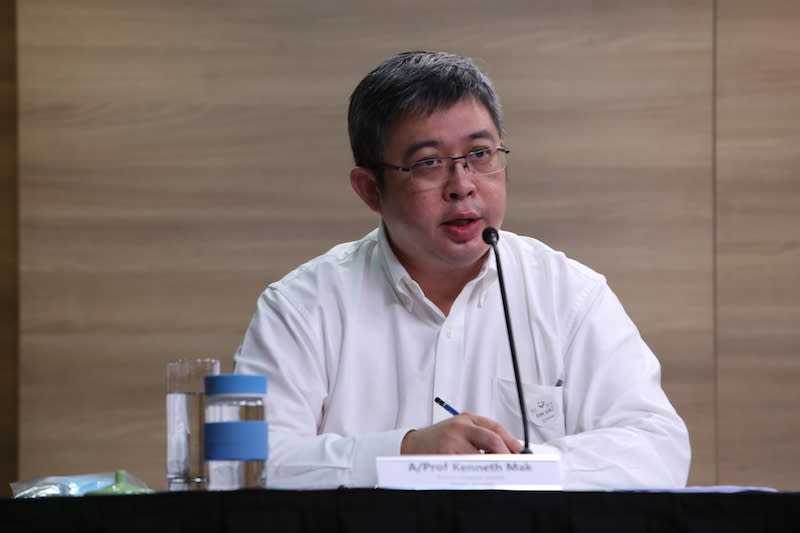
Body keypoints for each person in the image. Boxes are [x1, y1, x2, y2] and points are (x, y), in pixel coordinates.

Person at [233, 51, 691, 490]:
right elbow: (250, 463)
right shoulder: (301, 305)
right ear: (371, 189)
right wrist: (406, 454)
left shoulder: (569, 296)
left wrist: (510, 472)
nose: (463, 186)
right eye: (428, 163)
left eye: (480, 154)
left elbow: (657, 447)